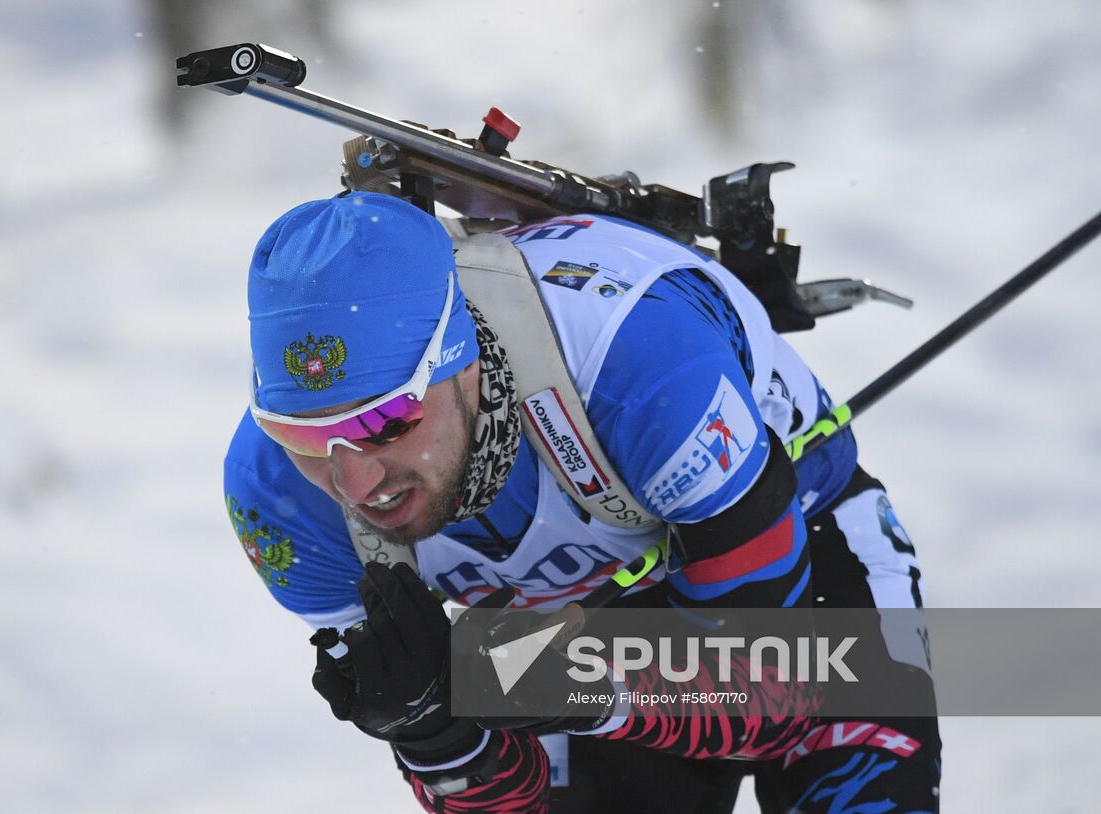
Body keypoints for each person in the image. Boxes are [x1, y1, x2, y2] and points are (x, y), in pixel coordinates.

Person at [223, 190, 940, 812]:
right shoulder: (278, 498)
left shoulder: (637, 363)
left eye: (384, 424)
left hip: (801, 560)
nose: (355, 484)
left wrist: (509, 672)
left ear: (464, 365)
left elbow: (773, 702)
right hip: (564, 626)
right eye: (302, 437)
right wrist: (435, 731)